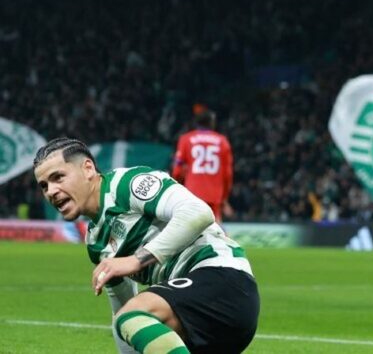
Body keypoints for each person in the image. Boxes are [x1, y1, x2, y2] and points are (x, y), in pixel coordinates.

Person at [33, 137, 258, 354]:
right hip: (193, 317)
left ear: (88, 169)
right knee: (130, 319)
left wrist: (136, 260)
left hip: (224, 282)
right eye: (44, 186)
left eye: (58, 177)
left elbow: (198, 212)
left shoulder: (128, 184)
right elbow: (122, 315)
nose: (51, 191)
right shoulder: (96, 243)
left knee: (134, 314)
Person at [171, 107, 234, 222]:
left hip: (192, 192)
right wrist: (224, 198)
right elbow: (227, 174)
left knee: (190, 230)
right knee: (214, 230)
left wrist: (178, 187)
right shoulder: (222, 141)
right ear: (212, 123)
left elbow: (177, 170)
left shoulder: (186, 139)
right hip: (214, 194)